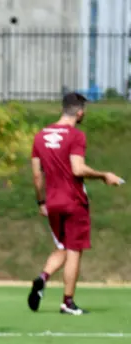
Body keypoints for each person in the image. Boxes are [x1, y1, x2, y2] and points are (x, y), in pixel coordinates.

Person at [28, 92, 123, 315]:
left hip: (53, 202)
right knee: (74, 251)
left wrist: (41, 201)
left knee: (62, 247)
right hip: (74, 201)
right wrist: (104, 175)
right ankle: (67, 302)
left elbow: (37, 175)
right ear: (79, 112)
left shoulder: (40, 136)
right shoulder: (76, 136)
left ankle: (42, 278)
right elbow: (78, 169)